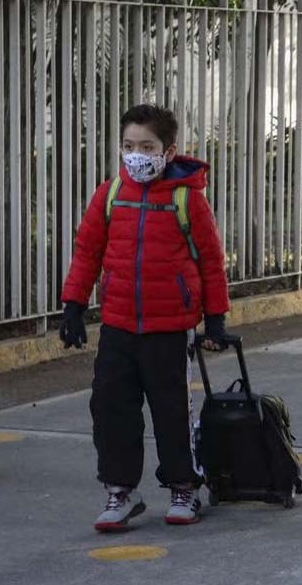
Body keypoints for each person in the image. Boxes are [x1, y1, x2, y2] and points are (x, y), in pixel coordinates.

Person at [59, 104, 232, 531]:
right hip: (118, 324)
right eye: (128, 145)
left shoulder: (186, 199)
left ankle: (183, 487)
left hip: (168, 329)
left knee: (170, 409)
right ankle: (120, 491)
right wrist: (73, 306)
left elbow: (211, 261)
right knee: (110, 406)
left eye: (147, 147)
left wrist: (215, 320)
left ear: (168, 151)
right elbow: (87, 252)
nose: (136, 154)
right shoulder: (112, 193)